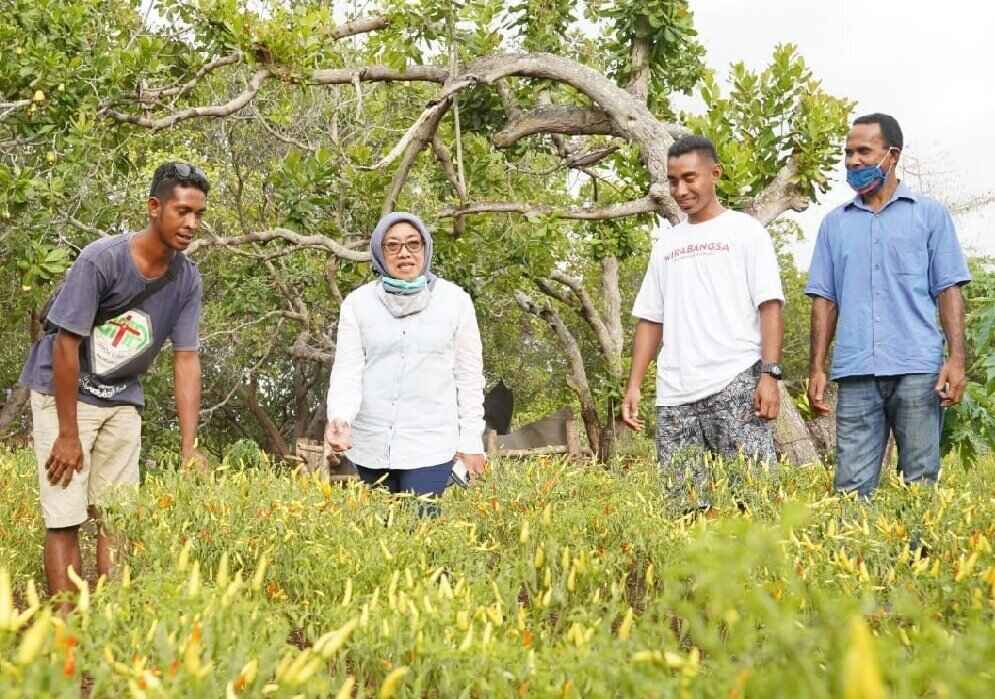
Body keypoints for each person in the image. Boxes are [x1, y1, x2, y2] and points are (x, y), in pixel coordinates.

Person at [19, 162, 209, 606]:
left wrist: (189, 444)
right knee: (65, 517)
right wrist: (67, 434)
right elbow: (65, 346)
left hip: (122, 395)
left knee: (118, 518)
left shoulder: (187, 279)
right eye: (182, 212)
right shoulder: (101, 260)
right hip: (63, 392)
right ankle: (67, 631)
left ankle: (109, 627)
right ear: (154, 207)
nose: (191, 224)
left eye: (198, 215)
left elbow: (186, 359)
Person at [806, 113, 970, 497]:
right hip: (856, 371)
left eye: (864, 151)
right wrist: (817, 366)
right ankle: (855, 558)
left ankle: (917, 558)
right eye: (848, 153)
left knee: (919, 485)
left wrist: (957, 359)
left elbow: (948, 289)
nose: (853, 161)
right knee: (850, 489)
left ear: (891, 155)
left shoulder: (929, 215)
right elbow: (824, 300)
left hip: (918, 369)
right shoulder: (834, 224)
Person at [621, 135, 785, 510]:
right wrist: (634, 385)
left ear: (715, 173)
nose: (681, 190)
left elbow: (770, 306)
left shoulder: (746, 232)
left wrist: (769, 376)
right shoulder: (666, 244)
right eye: (673, 180)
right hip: (675, 394)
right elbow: (650, 319)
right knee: (683, 508)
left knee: (756, 503)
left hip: (737, 384)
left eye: (690, 178)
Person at [324, 212, 486, 511]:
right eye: (392, 245)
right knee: (383, 531)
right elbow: (348, 369)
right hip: (372, 442)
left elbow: (469, 376)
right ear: (379, 253)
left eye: (413, 244)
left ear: (426, 249)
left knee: (420, 526)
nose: (404, 253)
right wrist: (340, 417)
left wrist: (471, 439)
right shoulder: (357, 304)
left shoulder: (455, 301)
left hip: (431, 441)